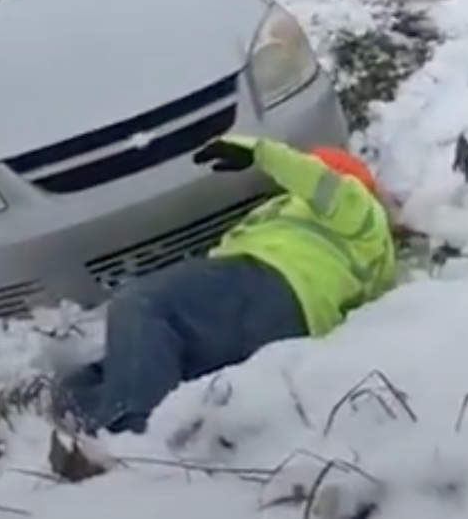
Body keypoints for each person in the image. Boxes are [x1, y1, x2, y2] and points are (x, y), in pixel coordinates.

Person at [55, 134, 399, 436]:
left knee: (142, 305)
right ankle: (92, 421)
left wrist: (261, 152)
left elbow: (320, 183)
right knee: (135, 364)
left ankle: (134, 436)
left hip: (264, 280)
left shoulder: (358, 207)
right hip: (291, 328)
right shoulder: (371, 254)